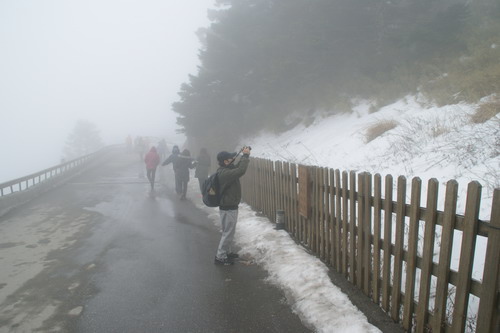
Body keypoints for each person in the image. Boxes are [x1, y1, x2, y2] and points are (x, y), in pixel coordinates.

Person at [214, 146, 251, 265]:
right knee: (228, 232)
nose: (232, 159)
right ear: (225, 161)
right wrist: (245, 156)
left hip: (229, 206)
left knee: (228, 231)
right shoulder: (224, 173)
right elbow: (240, 171)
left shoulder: (226, 170)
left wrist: (241, 156)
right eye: (230, 158)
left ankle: (226, 252)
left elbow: (237, 168)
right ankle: (220, 256)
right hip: (228, 208)